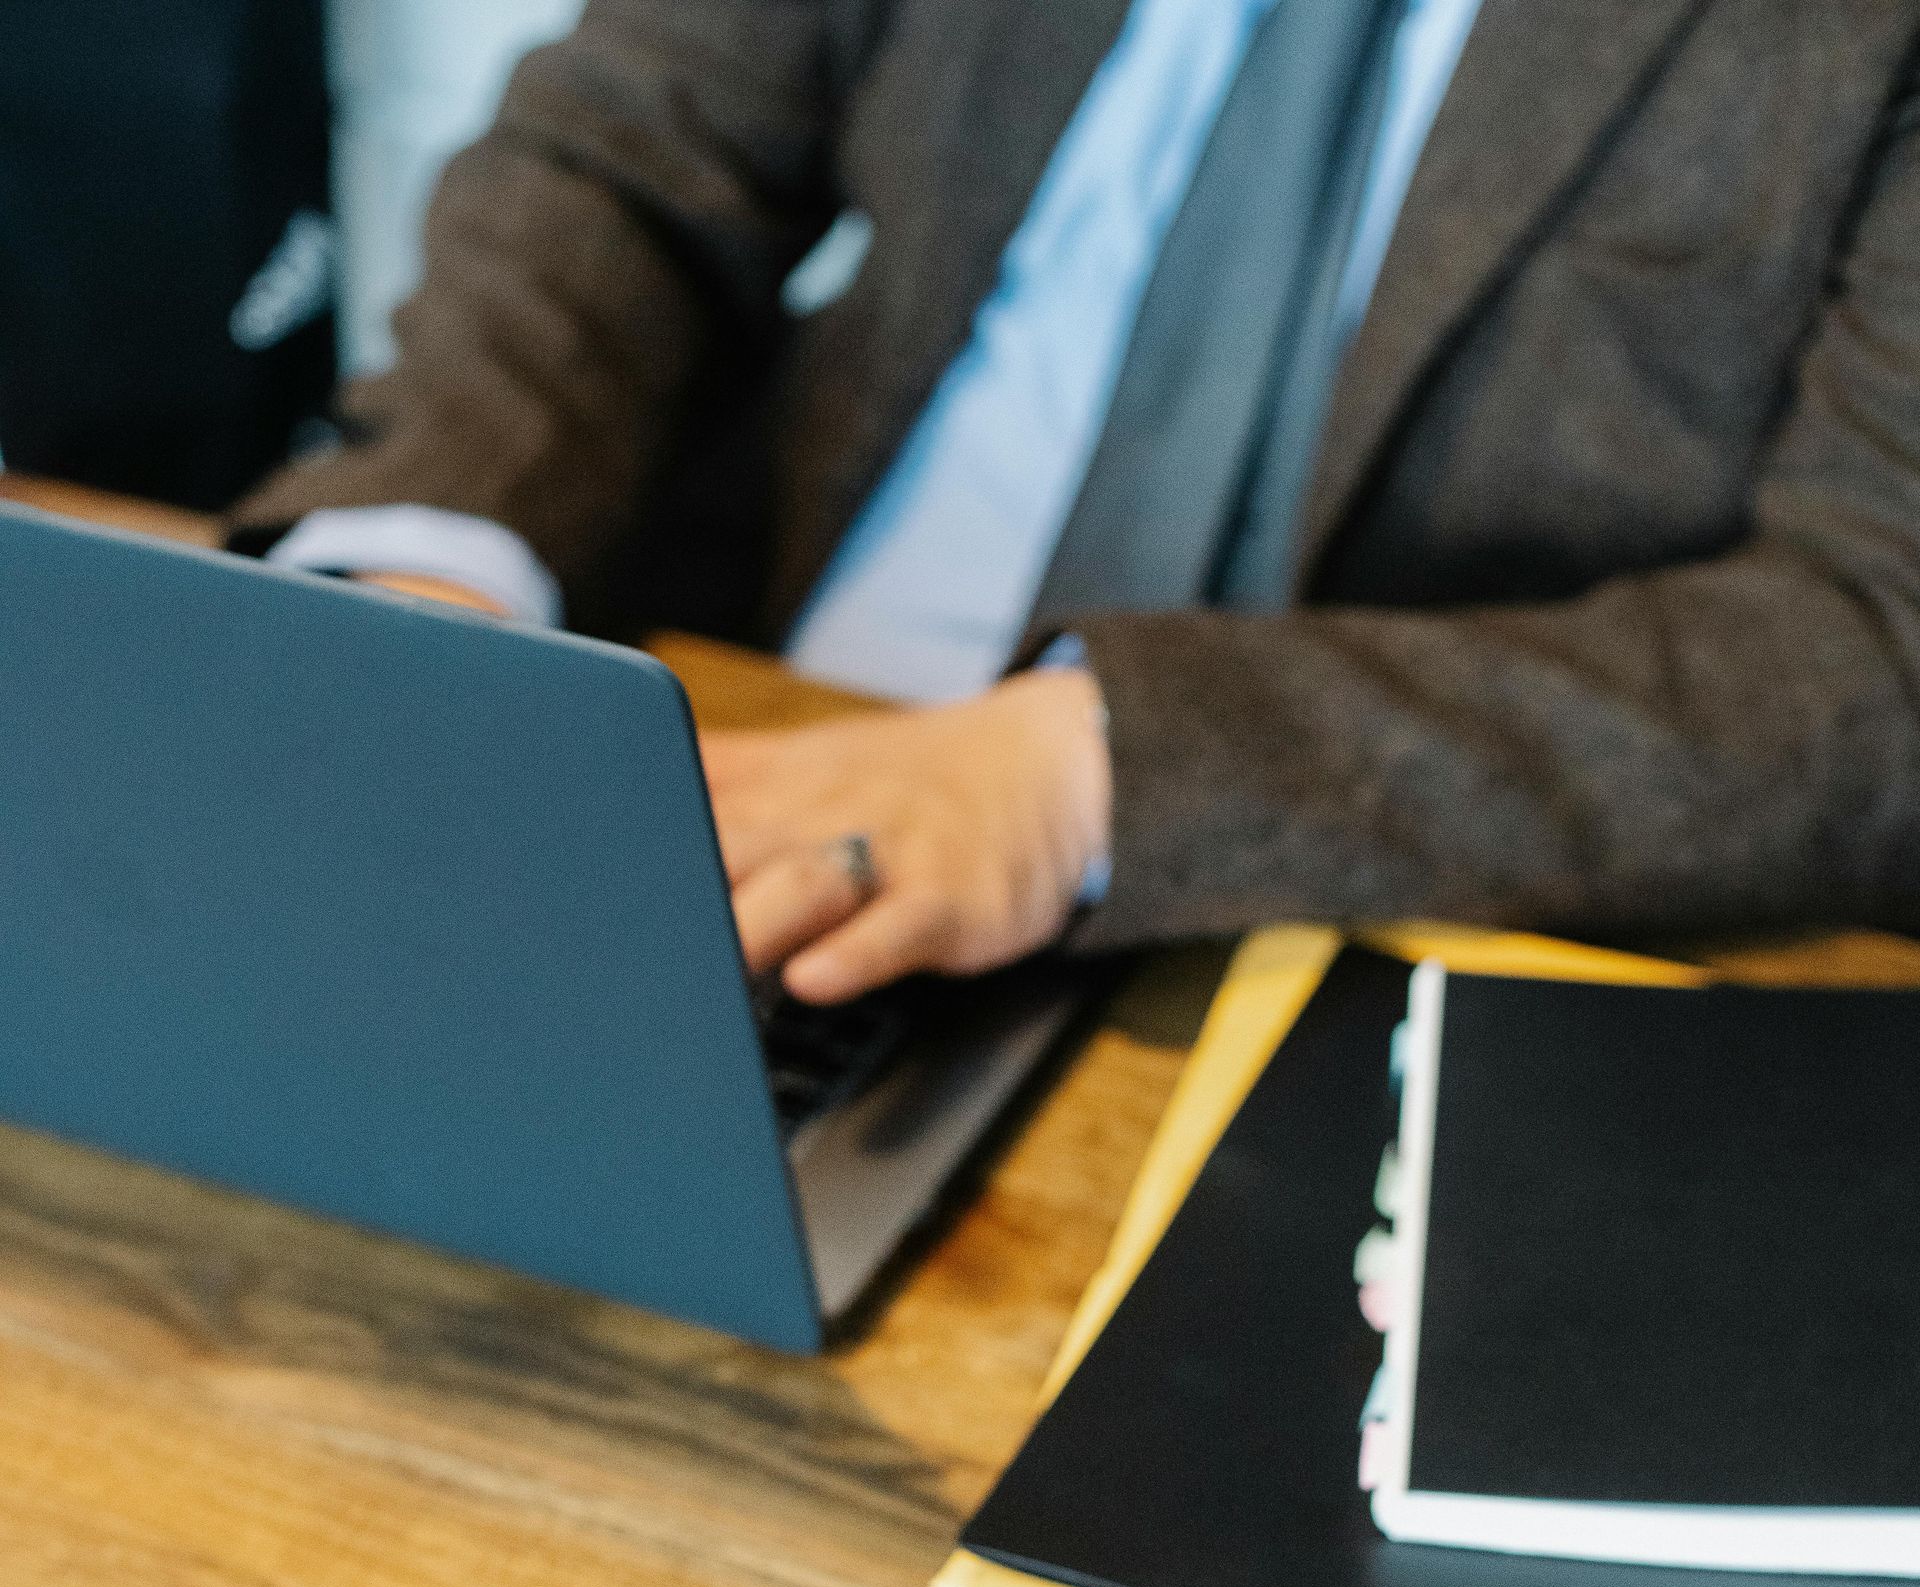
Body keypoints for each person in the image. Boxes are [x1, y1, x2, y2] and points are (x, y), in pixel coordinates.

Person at [231, 0, 1920, 1006]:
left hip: (1362, 900)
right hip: (733, 756)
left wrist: (1084, 775)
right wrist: (431, 577)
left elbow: (1875, 651)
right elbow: (626, 155)